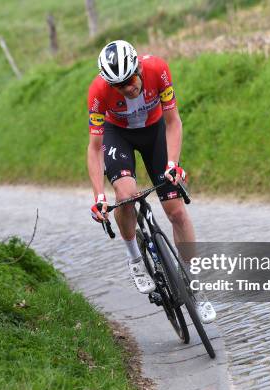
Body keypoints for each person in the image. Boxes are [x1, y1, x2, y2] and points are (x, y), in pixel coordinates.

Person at [86, 40, 216, 324]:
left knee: (176, 210)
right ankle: (135, 259)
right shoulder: (98, 92)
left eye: (131, 80)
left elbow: (173, 122)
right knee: (126, 194)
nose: (128, 88)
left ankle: (195, 284)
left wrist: (172, 164)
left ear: (138, 68)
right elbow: (95, 148)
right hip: (118, 135)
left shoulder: (158, 69)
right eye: (120, 86)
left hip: (155, 130)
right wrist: (98, 196)